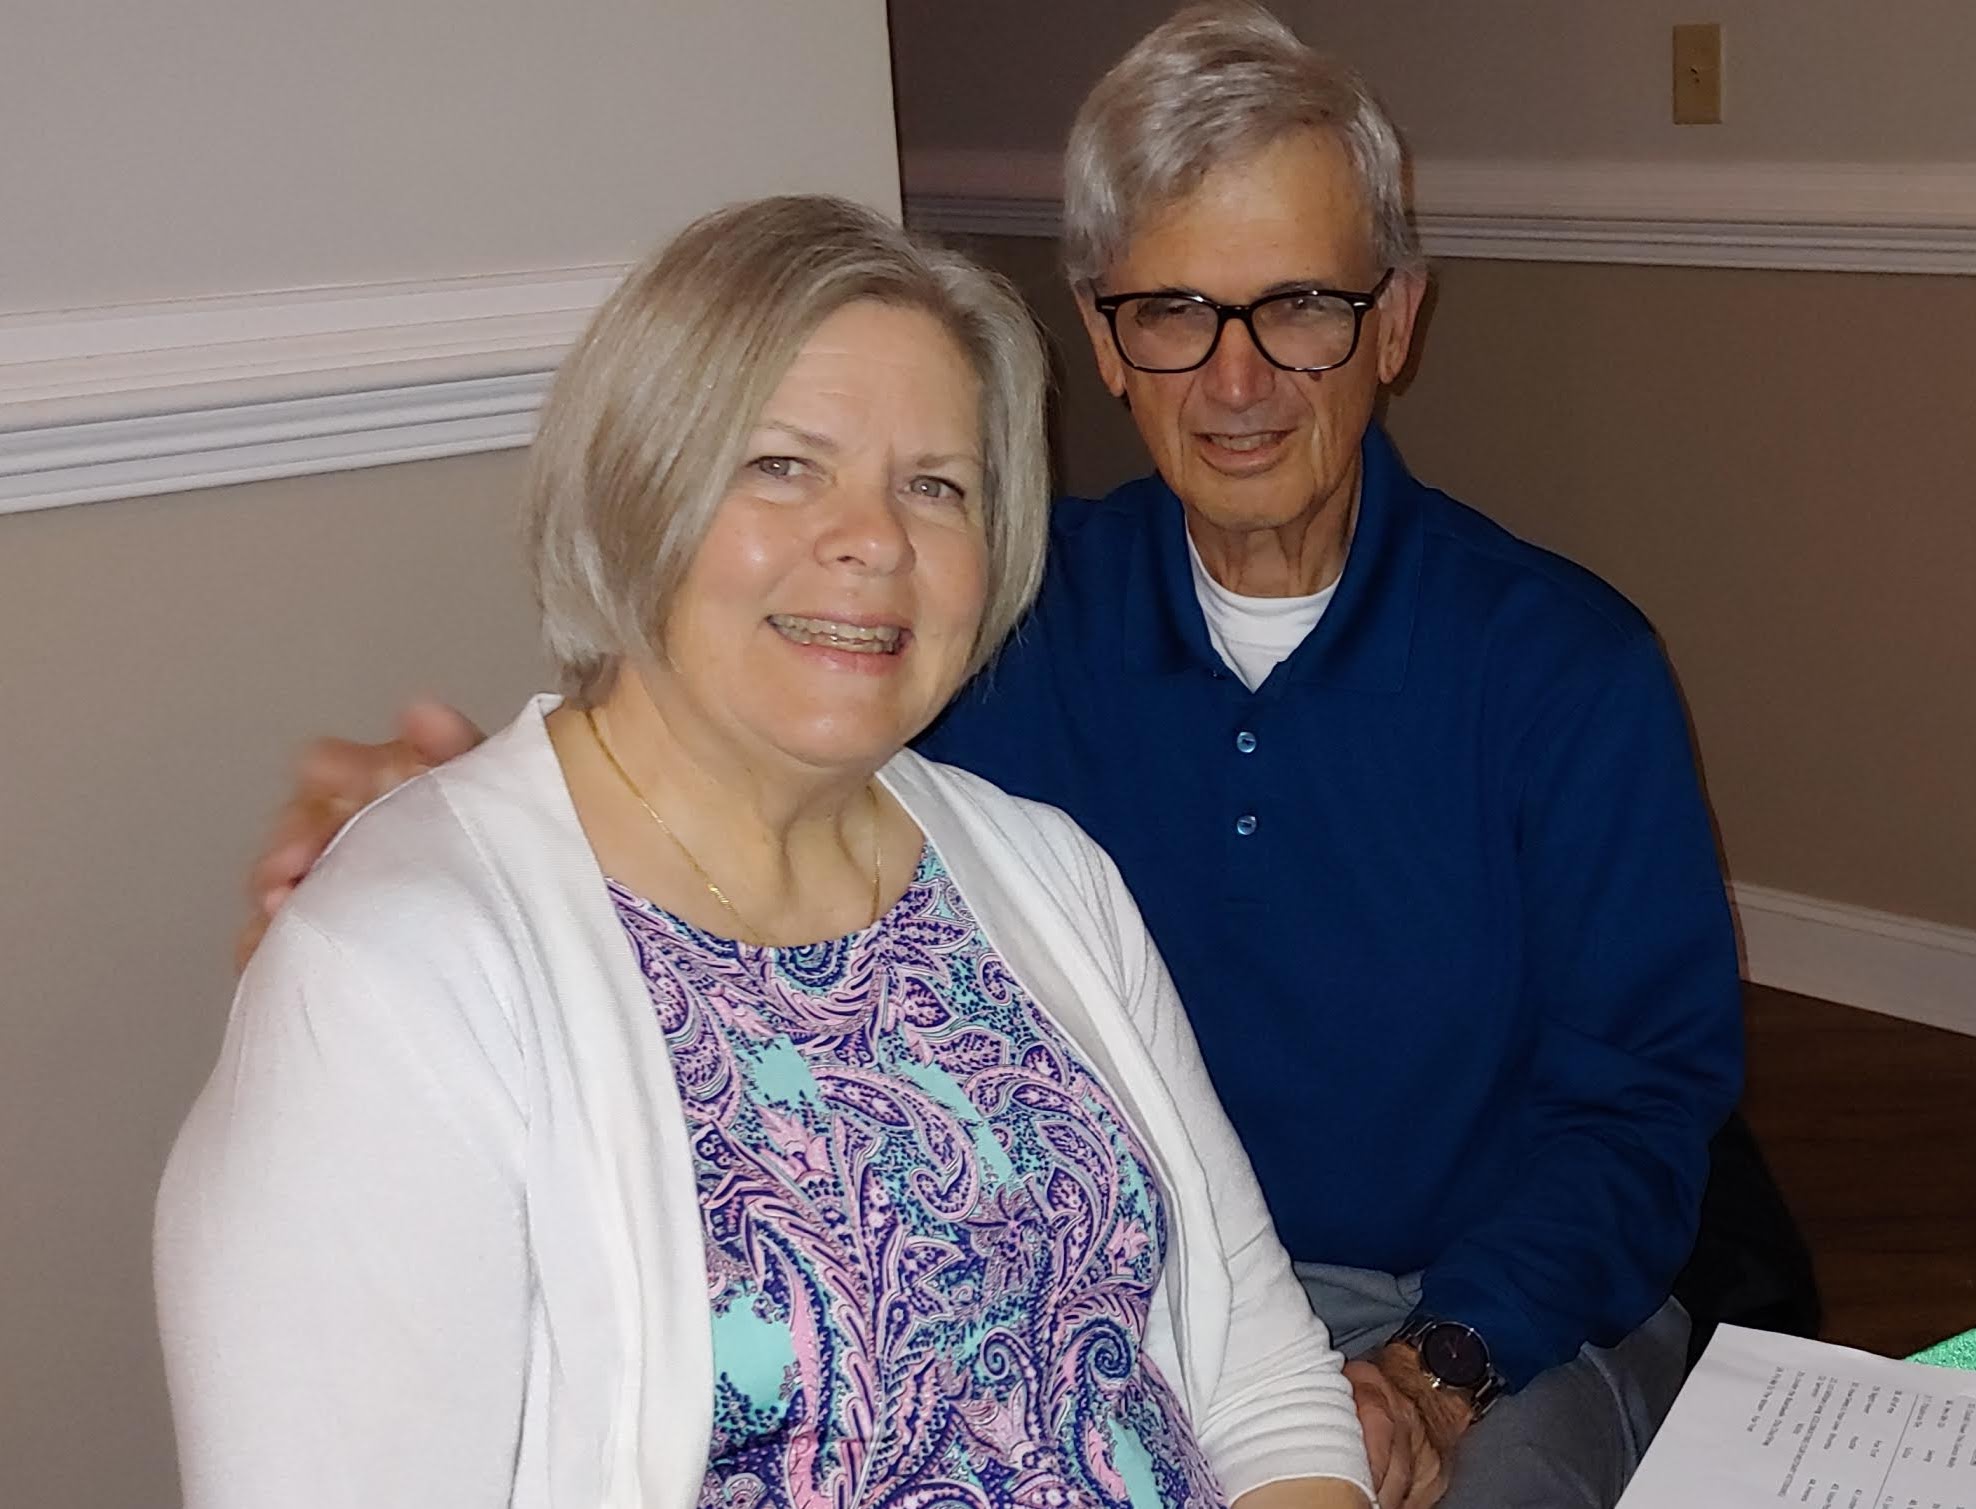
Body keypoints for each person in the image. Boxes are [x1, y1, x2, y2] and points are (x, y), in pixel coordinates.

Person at [237, 6, 1746, 1507]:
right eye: (1175, 311)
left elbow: (1638, 1107)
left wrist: (1437, 1364)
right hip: (1113, 1278)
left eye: (1299, 306)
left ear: (1394, 322)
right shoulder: (979, 621)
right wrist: (481, 828)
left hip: (1476, 1319)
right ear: (1104, 339)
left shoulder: (1565, 669)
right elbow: (732, 743)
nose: (1237, 381)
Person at [158, 195, 1374, 1509]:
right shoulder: (399, 977)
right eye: (785, 464)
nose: (877, 538)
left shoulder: (1044, 873)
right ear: (640, 491)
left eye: (936, 485)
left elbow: (1258, 1374)